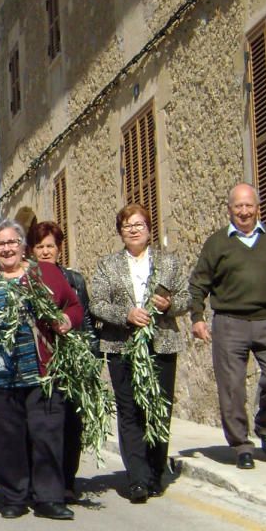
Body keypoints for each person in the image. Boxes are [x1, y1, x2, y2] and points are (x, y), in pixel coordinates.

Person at [0, 220, 82, 521]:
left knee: (47, 434)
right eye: (0, 243)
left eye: (12, 242)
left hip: (42, 371)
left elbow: (74, 306)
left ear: (23, 246)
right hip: (2, 375)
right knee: (8, 438)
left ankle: (49, 497)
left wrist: (67, 320)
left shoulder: (44, 274)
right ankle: (14, 496)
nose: (6, 248)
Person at [189, 183, 266, 470]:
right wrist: (197, 317)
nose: (244, 211)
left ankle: (264, 425)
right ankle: (241, 446)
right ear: (229, 210)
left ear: (257, 208)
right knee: (232, 388)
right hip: (229, 324)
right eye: (238, 206)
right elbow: (198, 283)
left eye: (249, 205)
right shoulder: (216, 243)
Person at [89, 206, 189, 502]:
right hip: (122, 346)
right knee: (130, 410)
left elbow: (186, 298)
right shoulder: (108, 265)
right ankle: (136, 478)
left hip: (161, 344)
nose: (133, 230)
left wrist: (169, 305)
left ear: (149, 228)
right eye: (126, 225)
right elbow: (97, 304)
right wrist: (126, 314)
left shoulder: (169, 263)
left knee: (159, 409)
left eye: (138, 224)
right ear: (120, 231)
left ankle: (156, 472)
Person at [27, 221, 98, 502]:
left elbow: (87, 318)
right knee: (42, 424)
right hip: (39, 361)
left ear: (59, 248)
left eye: (50, 246)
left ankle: (68, 481)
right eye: (40, 246)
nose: (46, 251)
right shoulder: (27, 279)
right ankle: (41, 480)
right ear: (32, 250)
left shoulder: (74, 279)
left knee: (71, 422)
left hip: (72, 360)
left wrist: (91, 353)